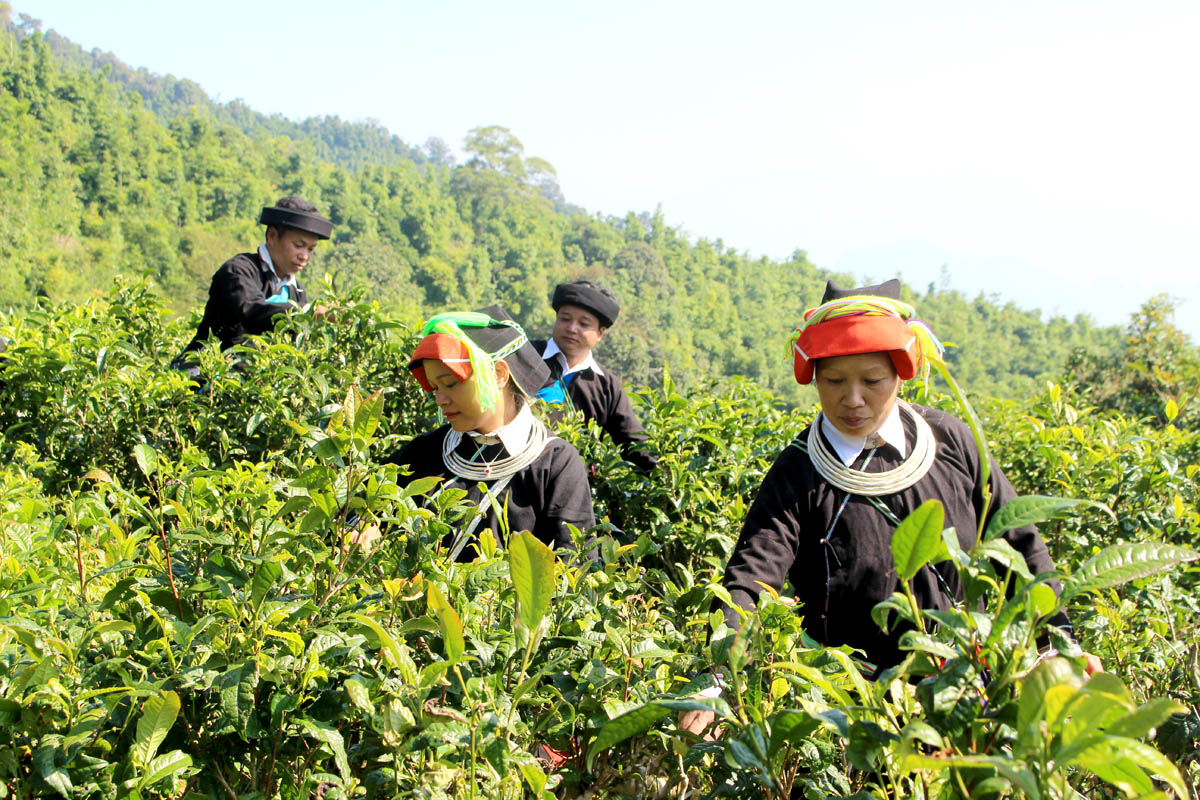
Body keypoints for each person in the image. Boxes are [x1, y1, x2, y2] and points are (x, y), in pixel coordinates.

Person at [378, 306, 596, 560]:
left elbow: (574, 563)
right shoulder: (424, 451)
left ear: (499, 374)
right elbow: (363, 508)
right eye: (435, 387)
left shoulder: (555, 462)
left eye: (450, 384)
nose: (440, 399)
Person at [173, 195, 333, 369]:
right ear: (272, 236)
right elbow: (253, 311)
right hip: (204, 374)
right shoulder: (238, 270)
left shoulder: (296, 290)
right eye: (298, 245)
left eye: (310, 249)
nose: (305, 256)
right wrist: (307, 312)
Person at [533, 280, 657, 472]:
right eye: (565, 319)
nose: (572, 328)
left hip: (570, 487)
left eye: (583, 323)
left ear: (600, 333)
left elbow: (633, 443)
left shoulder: (606, 386)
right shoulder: (527, 356)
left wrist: (668, 477)